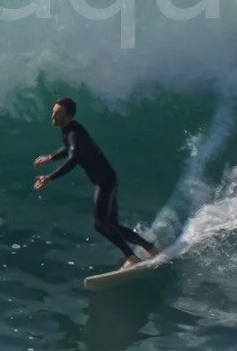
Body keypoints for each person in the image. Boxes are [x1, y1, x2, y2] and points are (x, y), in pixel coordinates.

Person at [33, 97, 159, 265]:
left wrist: (50, 177)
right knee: (112, 225)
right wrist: (50, 157)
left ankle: (132, 258)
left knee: (100, 224)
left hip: (105, 181)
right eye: (53, 112)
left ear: (69, 117)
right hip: (108, 178)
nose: (53, 116)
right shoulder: (71, 130)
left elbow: (73, 158)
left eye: (58, 114)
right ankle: (152, 249)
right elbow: (70, 149)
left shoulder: (73, 132)